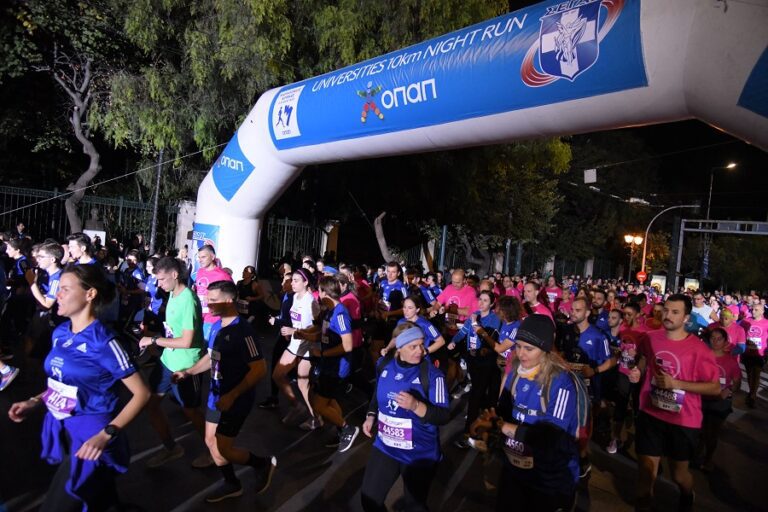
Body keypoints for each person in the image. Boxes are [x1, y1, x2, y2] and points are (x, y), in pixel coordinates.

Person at [8, 264, 150, 511]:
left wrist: (106, 434)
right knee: (99, 500)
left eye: (65, 289)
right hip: (63, 429)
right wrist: (35, 401)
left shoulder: (104, 342)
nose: (58, 294)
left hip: (91, 437)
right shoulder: (60, 333)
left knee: (58, 505)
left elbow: (142, 393)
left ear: (90, 294)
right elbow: (62, 384)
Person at [171, 280, 277, 502]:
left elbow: (259, 369)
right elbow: (211, 357)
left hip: (235, 400)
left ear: (229, 301)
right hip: (217, 396)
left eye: (213, 300)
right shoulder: (217, 326)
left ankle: (261, 464)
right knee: (211, 442)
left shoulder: (244, 331)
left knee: (224, 449)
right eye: (207, 300)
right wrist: (188, 372)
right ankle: (232, 483)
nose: (208, 305)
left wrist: (232, 395)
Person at [472, 314, 580, 512]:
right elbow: (503, 411)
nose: (521, 354)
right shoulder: (515, 371)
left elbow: (551, 437)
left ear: (545, 349)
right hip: (515, 469)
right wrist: (488, 422)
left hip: (549, 478)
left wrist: (502, 426)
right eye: (518, 346)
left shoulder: (561, 383)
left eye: (529, 349)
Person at [630, 294, 720, 512]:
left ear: (686, 318)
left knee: (679, 475)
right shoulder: (650, 338)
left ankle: (687, 494)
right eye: (666, 310)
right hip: (651, 413)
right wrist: (638, 371)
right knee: (645, 474)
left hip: (683, 421)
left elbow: (715, 388)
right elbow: (643, 357)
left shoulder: (699, 349)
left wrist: (676, 383)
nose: (667, 315)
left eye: (675, 312)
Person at [360, 326, 450, 512]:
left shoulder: (432, 375)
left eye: (421, 345)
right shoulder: (383, 364)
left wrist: (416, 406)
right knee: (369, 500)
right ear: (399, 347)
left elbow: (443, 416)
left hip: (419, 453)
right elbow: (378, 393)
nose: (420, 351)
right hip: (385, 446)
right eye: (413, 346)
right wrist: (371, 415)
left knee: (414, 507)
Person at [138, 256, 208, 468]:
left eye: (161, 279)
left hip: (186, 365)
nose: (158, 284)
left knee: (191, 412)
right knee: (151, 404)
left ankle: (215, 452)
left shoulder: (188, 300)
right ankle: (171, 448)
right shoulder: (171, 293)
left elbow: (186, 341)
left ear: (175, 275)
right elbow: (173, 330)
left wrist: (154, 340)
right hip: (167, 361)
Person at [301, 276, 359, 452]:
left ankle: (348, 428)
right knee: (329, 401)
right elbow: (323, 335)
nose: (318, 295)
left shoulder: (340, 314)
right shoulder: (329, 312)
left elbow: (347, 346)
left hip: (337, 369)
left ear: (325, 292)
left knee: (319, 405)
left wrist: (322, 353)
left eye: (319, 291)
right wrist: (304, 335)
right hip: (328, 366)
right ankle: (341, 431)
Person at [450, 290, 501, 449]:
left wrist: (475, 324)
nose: (481, 303)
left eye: (485, 300)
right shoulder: (475, 315)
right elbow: (463, 332)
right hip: (472, 360)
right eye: (480, 299)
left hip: (485, 362)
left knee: (476, 396)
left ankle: (469, 433)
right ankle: (487, 425)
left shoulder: (493, 319)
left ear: (492, 304)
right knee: (481, 395)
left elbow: (488, 341)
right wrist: (453, 341)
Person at [274, 269, 320, 428]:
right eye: (292, 280)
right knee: (277, 375)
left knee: (302, 384)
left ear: (306, 282)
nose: (292, 283)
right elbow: (295, 320)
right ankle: (296, 405)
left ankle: (316, 418)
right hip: (295, 343)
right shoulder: (294, 297)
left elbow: (317, 328)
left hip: (308, 345)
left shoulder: (311, 302)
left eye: (296, 280)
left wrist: (294, 331)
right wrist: (289, 330)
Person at [697, 327, 740, 472]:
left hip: (719, 403)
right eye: (712, 338)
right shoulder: (702, 357)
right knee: (700, 430)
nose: (715, 341)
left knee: (712, 433)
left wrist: (729, 390)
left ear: (725, 341)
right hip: (701, 398)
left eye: (719, 339)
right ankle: (696, 454)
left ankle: (708, 459)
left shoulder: (731, 361)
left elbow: (737, 382)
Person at [194, 244, 233, 342]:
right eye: (199, 257)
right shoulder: (200, 272)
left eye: (203, 257)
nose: (200, 260)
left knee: (206, 346)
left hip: (212, 319)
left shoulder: (222, 275)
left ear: (212, 257)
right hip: (198, 316)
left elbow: (232, 296)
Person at [742, 302, 768, 408]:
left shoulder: (766, 323)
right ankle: (751, 391)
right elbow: (739, 332)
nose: (753, 311)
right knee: (749, 374)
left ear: (762, 311)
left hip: (759, 354)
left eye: (756, 310)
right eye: (752, 309)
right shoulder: (746, 321)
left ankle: (752, 395)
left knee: (756, 375)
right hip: (747, 353)